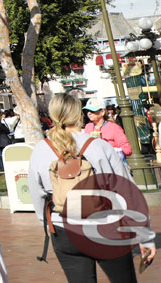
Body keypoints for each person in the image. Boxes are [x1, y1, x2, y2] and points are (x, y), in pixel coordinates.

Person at [29, 92, 156, 281]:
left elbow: (37, 195)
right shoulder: (99, 147)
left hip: (65, 232)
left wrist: (47, 225)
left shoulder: (40, 150)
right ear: (78, 115)